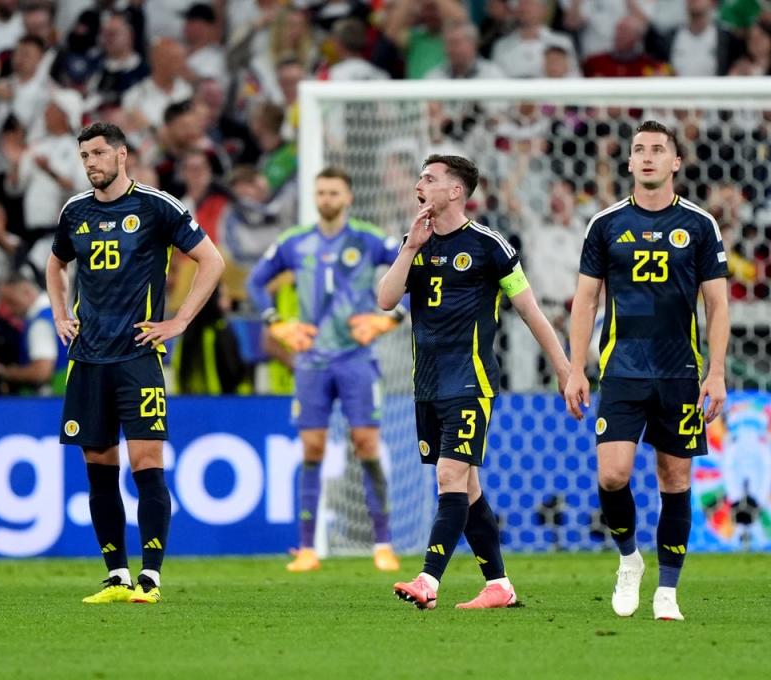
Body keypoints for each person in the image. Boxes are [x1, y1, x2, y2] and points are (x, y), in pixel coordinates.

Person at [379, 155, 570, 609]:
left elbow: (530, 311)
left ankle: (428, 580)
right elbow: (386, 300)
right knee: (467, 488)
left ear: (455, 192)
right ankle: (499, 586)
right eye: (420, 177)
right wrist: (410, 248)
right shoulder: (415, 242)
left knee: (450, 476)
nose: (419, 185)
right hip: (426, 382)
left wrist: (565, 369)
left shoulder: (490, 246)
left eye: (430, 178)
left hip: (472, 380)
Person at [47, 122, 224, 604]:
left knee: (146, 464)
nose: (90, 163)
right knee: (98, 469)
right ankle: (116, 575)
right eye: (84, 156)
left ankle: (151, 577)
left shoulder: (155, 206)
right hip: (87, 359)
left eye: (99, 153)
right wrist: (60, 313)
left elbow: (212, 261)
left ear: (122, 155)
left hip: (138, 356)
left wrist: (180, 320)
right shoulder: (75, 211)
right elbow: (55, 262)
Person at [563, 120, 730, 621]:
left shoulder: (700, 225)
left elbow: (717, 306)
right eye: (640, 150)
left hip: (680, 371)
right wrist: (576, 368)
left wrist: (716, 371)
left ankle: (668, 591)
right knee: (612, 476)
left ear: (676, 162)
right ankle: (630, 559)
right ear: (630, 162)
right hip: (621, 371)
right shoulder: (606, 224)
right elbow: (586, 300)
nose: (649, 157)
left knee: (674, 478)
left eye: (659, 150)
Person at [248, 166, 403, 573]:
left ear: (348, 197)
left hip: (357, 359)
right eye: (321, 192)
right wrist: (275, 322)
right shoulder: (295, 243)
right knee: (312, 448)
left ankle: (383, 543)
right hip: (312, 361)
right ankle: (306, 549)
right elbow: (255, 281)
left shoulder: (369, 240)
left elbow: (415, 269)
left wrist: (392, 317)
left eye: (334, 192)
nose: (326, 199)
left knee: (367, 445)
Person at [0, 273, 69, 395]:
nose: (7, 310)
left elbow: (41, 373)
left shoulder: (40, 325)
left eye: (10, 301)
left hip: (52, 401)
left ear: (27, 293)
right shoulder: (59, 312)